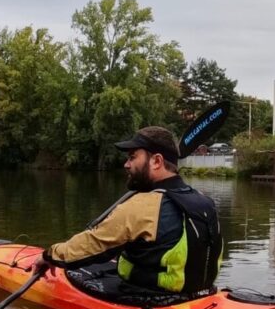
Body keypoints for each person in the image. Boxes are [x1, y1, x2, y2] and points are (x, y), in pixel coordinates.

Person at [34, 126, 223, 297]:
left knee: (91, 261)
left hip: (152, 298)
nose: (126, 164)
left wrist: (48, 256)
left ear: (156, 161)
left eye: (132, 157)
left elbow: (90, 245)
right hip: (200, 294)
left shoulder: (142, 206)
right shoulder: (204, 200)